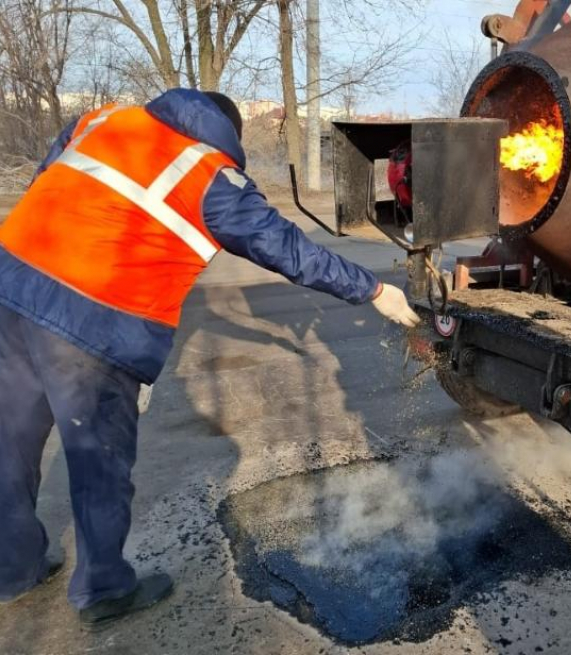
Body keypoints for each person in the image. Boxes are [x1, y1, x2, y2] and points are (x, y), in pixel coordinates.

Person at [0, 89, 419, 627]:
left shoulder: (105, 120)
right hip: (94, 320)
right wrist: (373, 290)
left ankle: (13, 571)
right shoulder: (209, 173)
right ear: (227, 132)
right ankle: (103, 588)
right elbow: (288, 250)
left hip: (10, 288)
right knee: (97, 460)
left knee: (9, 442)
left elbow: (47, 181)